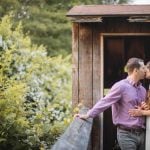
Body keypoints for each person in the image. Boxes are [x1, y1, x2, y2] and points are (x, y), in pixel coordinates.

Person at [75, 57, 146, 150]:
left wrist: (143, 109)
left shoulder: (143, 90)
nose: (145, 70)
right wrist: (88, 115)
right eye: (143, 68)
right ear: (136, 70)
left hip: (143, 134)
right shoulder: (121, 86)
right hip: (127, 135)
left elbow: (143, 109)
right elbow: (105, 102)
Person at [128, 61, 150, 150]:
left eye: (147, 69)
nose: (145, 71)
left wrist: (142, 112)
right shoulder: (148, 86)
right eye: (143, 68)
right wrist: (146, 106)